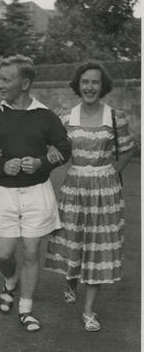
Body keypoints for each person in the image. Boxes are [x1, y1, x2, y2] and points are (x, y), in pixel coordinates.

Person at [0, 54, 71, 332]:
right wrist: (2, 166)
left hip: (38, 193)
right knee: (4, 253)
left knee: (31, 251)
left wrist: (42, 162)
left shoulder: (46, 117)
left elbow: (64, 149)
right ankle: (10, 280)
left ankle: (26, 309)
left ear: (24, 83)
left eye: (6, 79)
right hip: (4, 194)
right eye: (0, 78)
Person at [44, 61, 135, 332]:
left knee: (97, 248)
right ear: (78, 85)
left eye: (95, 82)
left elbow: (129, 149)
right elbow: (56, 149)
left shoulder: (115, 117)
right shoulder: (66, 117)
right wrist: (48, 153)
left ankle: (89, 311)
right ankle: (71, 278)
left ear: (102, 86)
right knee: (73, 241)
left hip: (105, 190)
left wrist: (112, 172)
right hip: (74, 187)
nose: (90, 87)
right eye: (85, 82)